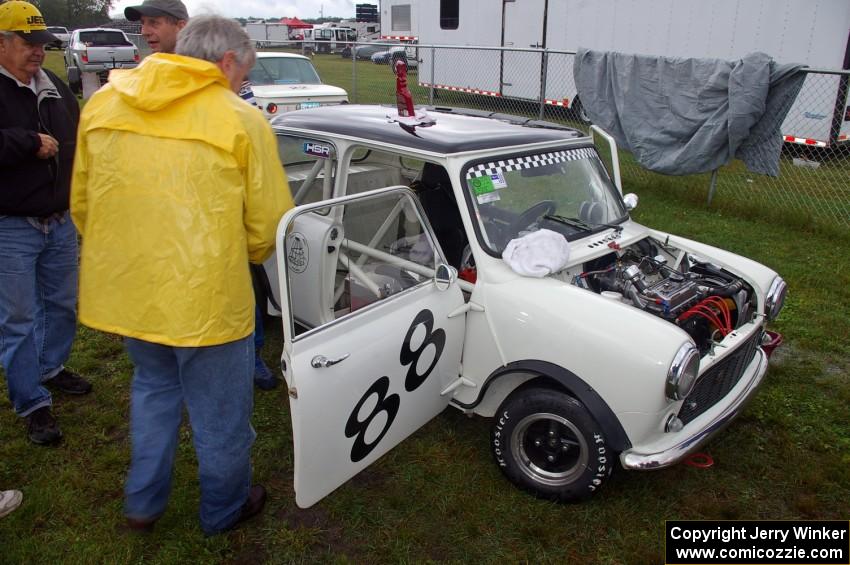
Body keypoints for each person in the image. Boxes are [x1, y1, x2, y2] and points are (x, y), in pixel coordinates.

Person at [70, 15, 294, 535]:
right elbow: (267, 228)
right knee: (221, 418)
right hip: (207, 302)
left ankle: (143, 504)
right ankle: (225, 508)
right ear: (227, 62)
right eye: (243, 74)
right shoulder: (240, 119)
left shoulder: (102, 104)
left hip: (130, 294)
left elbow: (83, 205)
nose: (242, 85)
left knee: (153, 391)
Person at [126, 0, 279, 392]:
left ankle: (251, 354)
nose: (146, 32)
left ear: (181, 26)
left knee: (243, 291)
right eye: (143, 24)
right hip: (164, 238)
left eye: (155, 22)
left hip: (210, 235)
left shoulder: (236, 102)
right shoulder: (134, 86)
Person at [0, 0, 92, 446]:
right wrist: (24, 143)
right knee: (18, 318)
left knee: (62, 305)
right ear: (1, 43)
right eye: (27, 42)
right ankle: (31, 402)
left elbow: (78, 141)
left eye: (42, 43)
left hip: (59, 219)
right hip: (12, 223)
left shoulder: (54, 84)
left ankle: (50, 368)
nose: (37, 51)